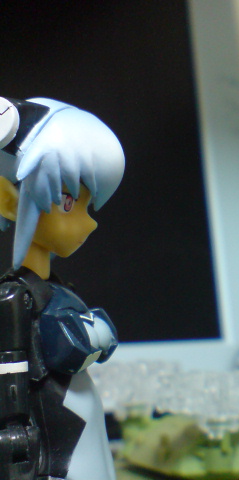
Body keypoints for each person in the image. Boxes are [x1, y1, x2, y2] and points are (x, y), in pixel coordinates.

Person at [0, 97, 124, 480]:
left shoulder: (52, 289)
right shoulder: (15, 299)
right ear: (7, 200)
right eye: (70, 203)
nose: (90, 223)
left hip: (77, 413)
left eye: (89, 207)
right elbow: (20, 369)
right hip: (51, 433)